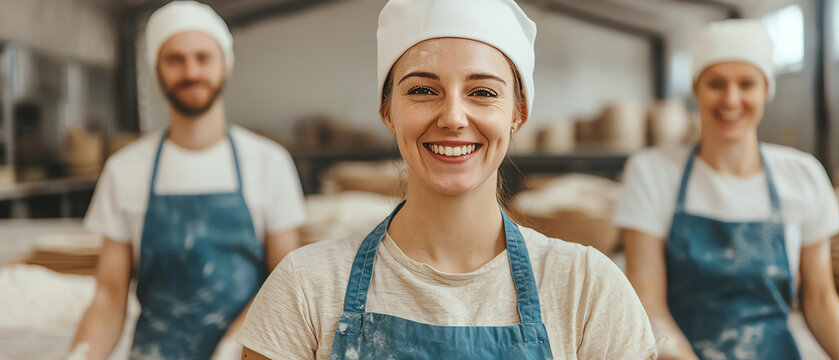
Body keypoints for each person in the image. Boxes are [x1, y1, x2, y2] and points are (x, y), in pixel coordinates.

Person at [236, 0, 657, 358]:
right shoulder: (306, 288)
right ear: (387, 112)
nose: (453, 117)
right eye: (422, 90)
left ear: (518, 114)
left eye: (483, 92)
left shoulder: (587, 289)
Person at [616, 19, 839, 360]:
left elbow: (821, 299)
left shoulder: (802, 175)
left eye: (746, 84)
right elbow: (647, 302)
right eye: (716, 84)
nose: (731, 99)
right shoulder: (651, 172)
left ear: (766, 90)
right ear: (696, 89)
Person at [67, 2, 306, 359]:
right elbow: (109, 296)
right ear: (156, 70)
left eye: (202, 57)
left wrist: (232, 347)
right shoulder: (124, 169)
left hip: (246, 352)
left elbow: (286, 283)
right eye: (175, 59)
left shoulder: (269, 163)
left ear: (225, 64)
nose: (190, 71)